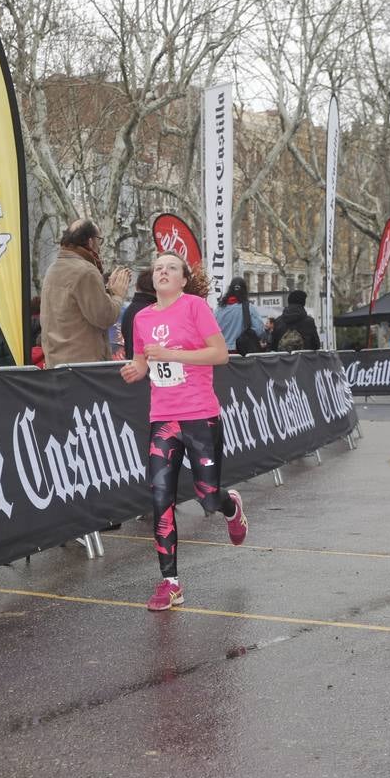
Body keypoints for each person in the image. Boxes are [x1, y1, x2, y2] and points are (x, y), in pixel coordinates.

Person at [120, 252, 248, 612]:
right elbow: (144, 359)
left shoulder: (194, 307)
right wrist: (135, 368)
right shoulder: (142, 318)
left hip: (199, 414)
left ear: (183, 278)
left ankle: (230, 506)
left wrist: (177, 355)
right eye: (158, 267)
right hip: (163, 417)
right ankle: (170, 583)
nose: (162, 271)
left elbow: (220, 354)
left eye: (170, 268)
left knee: (208, 497)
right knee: (161, 499)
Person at [39, 219, 133, 366]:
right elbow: (104, 317)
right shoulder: (86, 271)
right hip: (84, 368)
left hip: (57, 363)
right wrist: (118, 295)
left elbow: (74, 309)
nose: (99, 247)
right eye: (99, 240)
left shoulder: (53, 269)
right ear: (90, 242)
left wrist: (106, 290)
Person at [214, 277, 264, 355]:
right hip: (242, 353)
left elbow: (212, 331)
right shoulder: (249, 308)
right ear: (245, 291)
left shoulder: (218, 309)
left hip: (221, 353)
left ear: (229, 290)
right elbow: (259, 330)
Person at [120, 269, 157, 360]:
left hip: (132, 364)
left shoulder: (129, 310)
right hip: (148, 367)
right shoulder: (153, 311)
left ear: (136, 287)